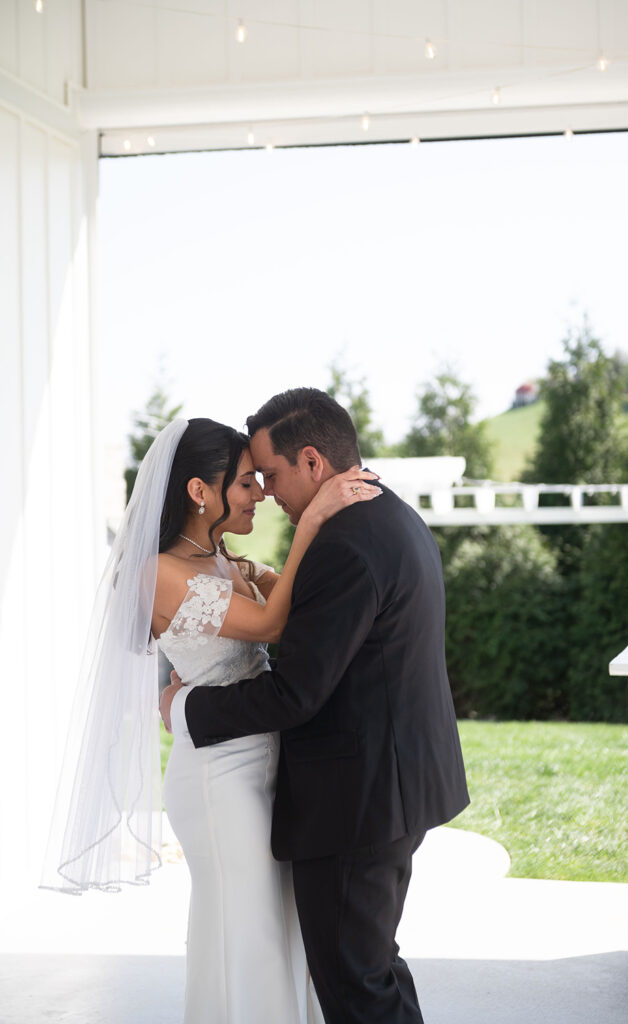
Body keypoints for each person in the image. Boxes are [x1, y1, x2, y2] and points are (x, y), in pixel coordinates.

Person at [43, 416, 380, 1024]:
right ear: (201, 492)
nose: (260, 495)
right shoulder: (161, 573)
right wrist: (312, 522)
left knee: (274, 923)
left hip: (263, 763)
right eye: (247, 483)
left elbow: (297, 603)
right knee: (244, 927)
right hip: (219, 777)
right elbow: (273, 624)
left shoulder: (223, 560)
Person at [161, 389, 470, 1024]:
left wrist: (186, 708)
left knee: (356, 977)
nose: (265, 492)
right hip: (374, 783)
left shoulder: (341, 544)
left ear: (312, 463)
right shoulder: (388, 515)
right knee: (365, 964)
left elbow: (296, 690)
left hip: (357, 797)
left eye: (268, 476)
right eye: (250, 481)